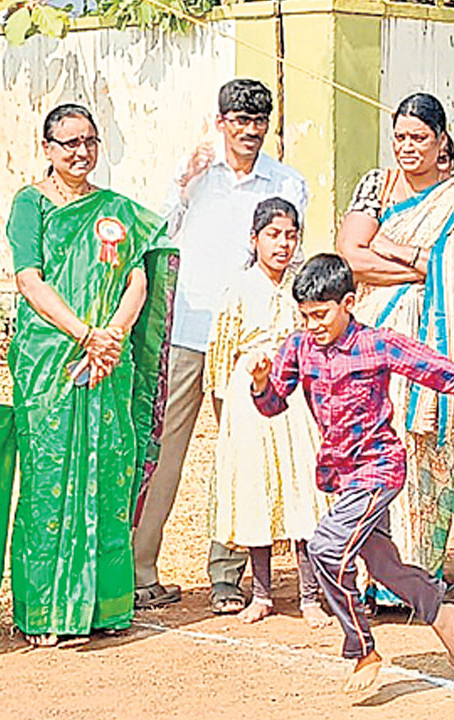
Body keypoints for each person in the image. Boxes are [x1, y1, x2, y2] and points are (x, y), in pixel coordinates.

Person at [249, 253, 454, 693]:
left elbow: (452, 376)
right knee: (382, 564)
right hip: (343, 477)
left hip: (380, 469)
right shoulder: (298, 347)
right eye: (306, 316)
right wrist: (261, 383)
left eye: (322, 314)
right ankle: (436, 606)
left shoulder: (378, 344)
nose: (313, 324)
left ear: (349, 302)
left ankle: (362, 648)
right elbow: (272, 404)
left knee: (326, 548)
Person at [7, 104, 177, 647]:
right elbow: (28, 279)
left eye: (90, 141)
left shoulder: (116, 210)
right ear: (48, 148)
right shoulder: (29, 205)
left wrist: (113, 337)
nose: (81, 152)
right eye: (69, 143)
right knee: (49, 480)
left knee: (108, 474)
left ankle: (104, 605)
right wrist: (84, 333)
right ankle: (49, 611)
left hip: (108, 361)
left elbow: (137, 280)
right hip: (51, 361)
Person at [137, 78, 307, 615]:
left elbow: (286, 257)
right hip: (189, 329)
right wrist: (184, 181)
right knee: (164, 449)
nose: (250, 132)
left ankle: (229, 577)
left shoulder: (286, 183)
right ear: (221, 122)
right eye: (240, 121)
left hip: (251, 342)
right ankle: (140, 572)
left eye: (259, 122)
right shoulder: (197, 175)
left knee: (243, 453)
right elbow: (159, 231)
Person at [335, 92, 454, 582]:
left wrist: (398, 250)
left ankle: (412, 574)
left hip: (432, 343)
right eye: (400, 137)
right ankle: (366, 573)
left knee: (423, 449)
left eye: (419, 138)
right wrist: (428, 269)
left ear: (441, 140)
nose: (408, 147)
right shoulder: (376, 187)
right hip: (374, 338)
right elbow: (351, 257)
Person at [204, 197, 329, 627]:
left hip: (296, 394)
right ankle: (261, 594)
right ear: (254, 239)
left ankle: (310, 595)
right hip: (249, 396)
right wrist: (229, 418)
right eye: (273, 235)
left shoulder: (304, 285)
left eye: (291, 235)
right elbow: (220, 359)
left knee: (303, 493)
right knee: (258, 493)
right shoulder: (237, 289)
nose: (283, 244)